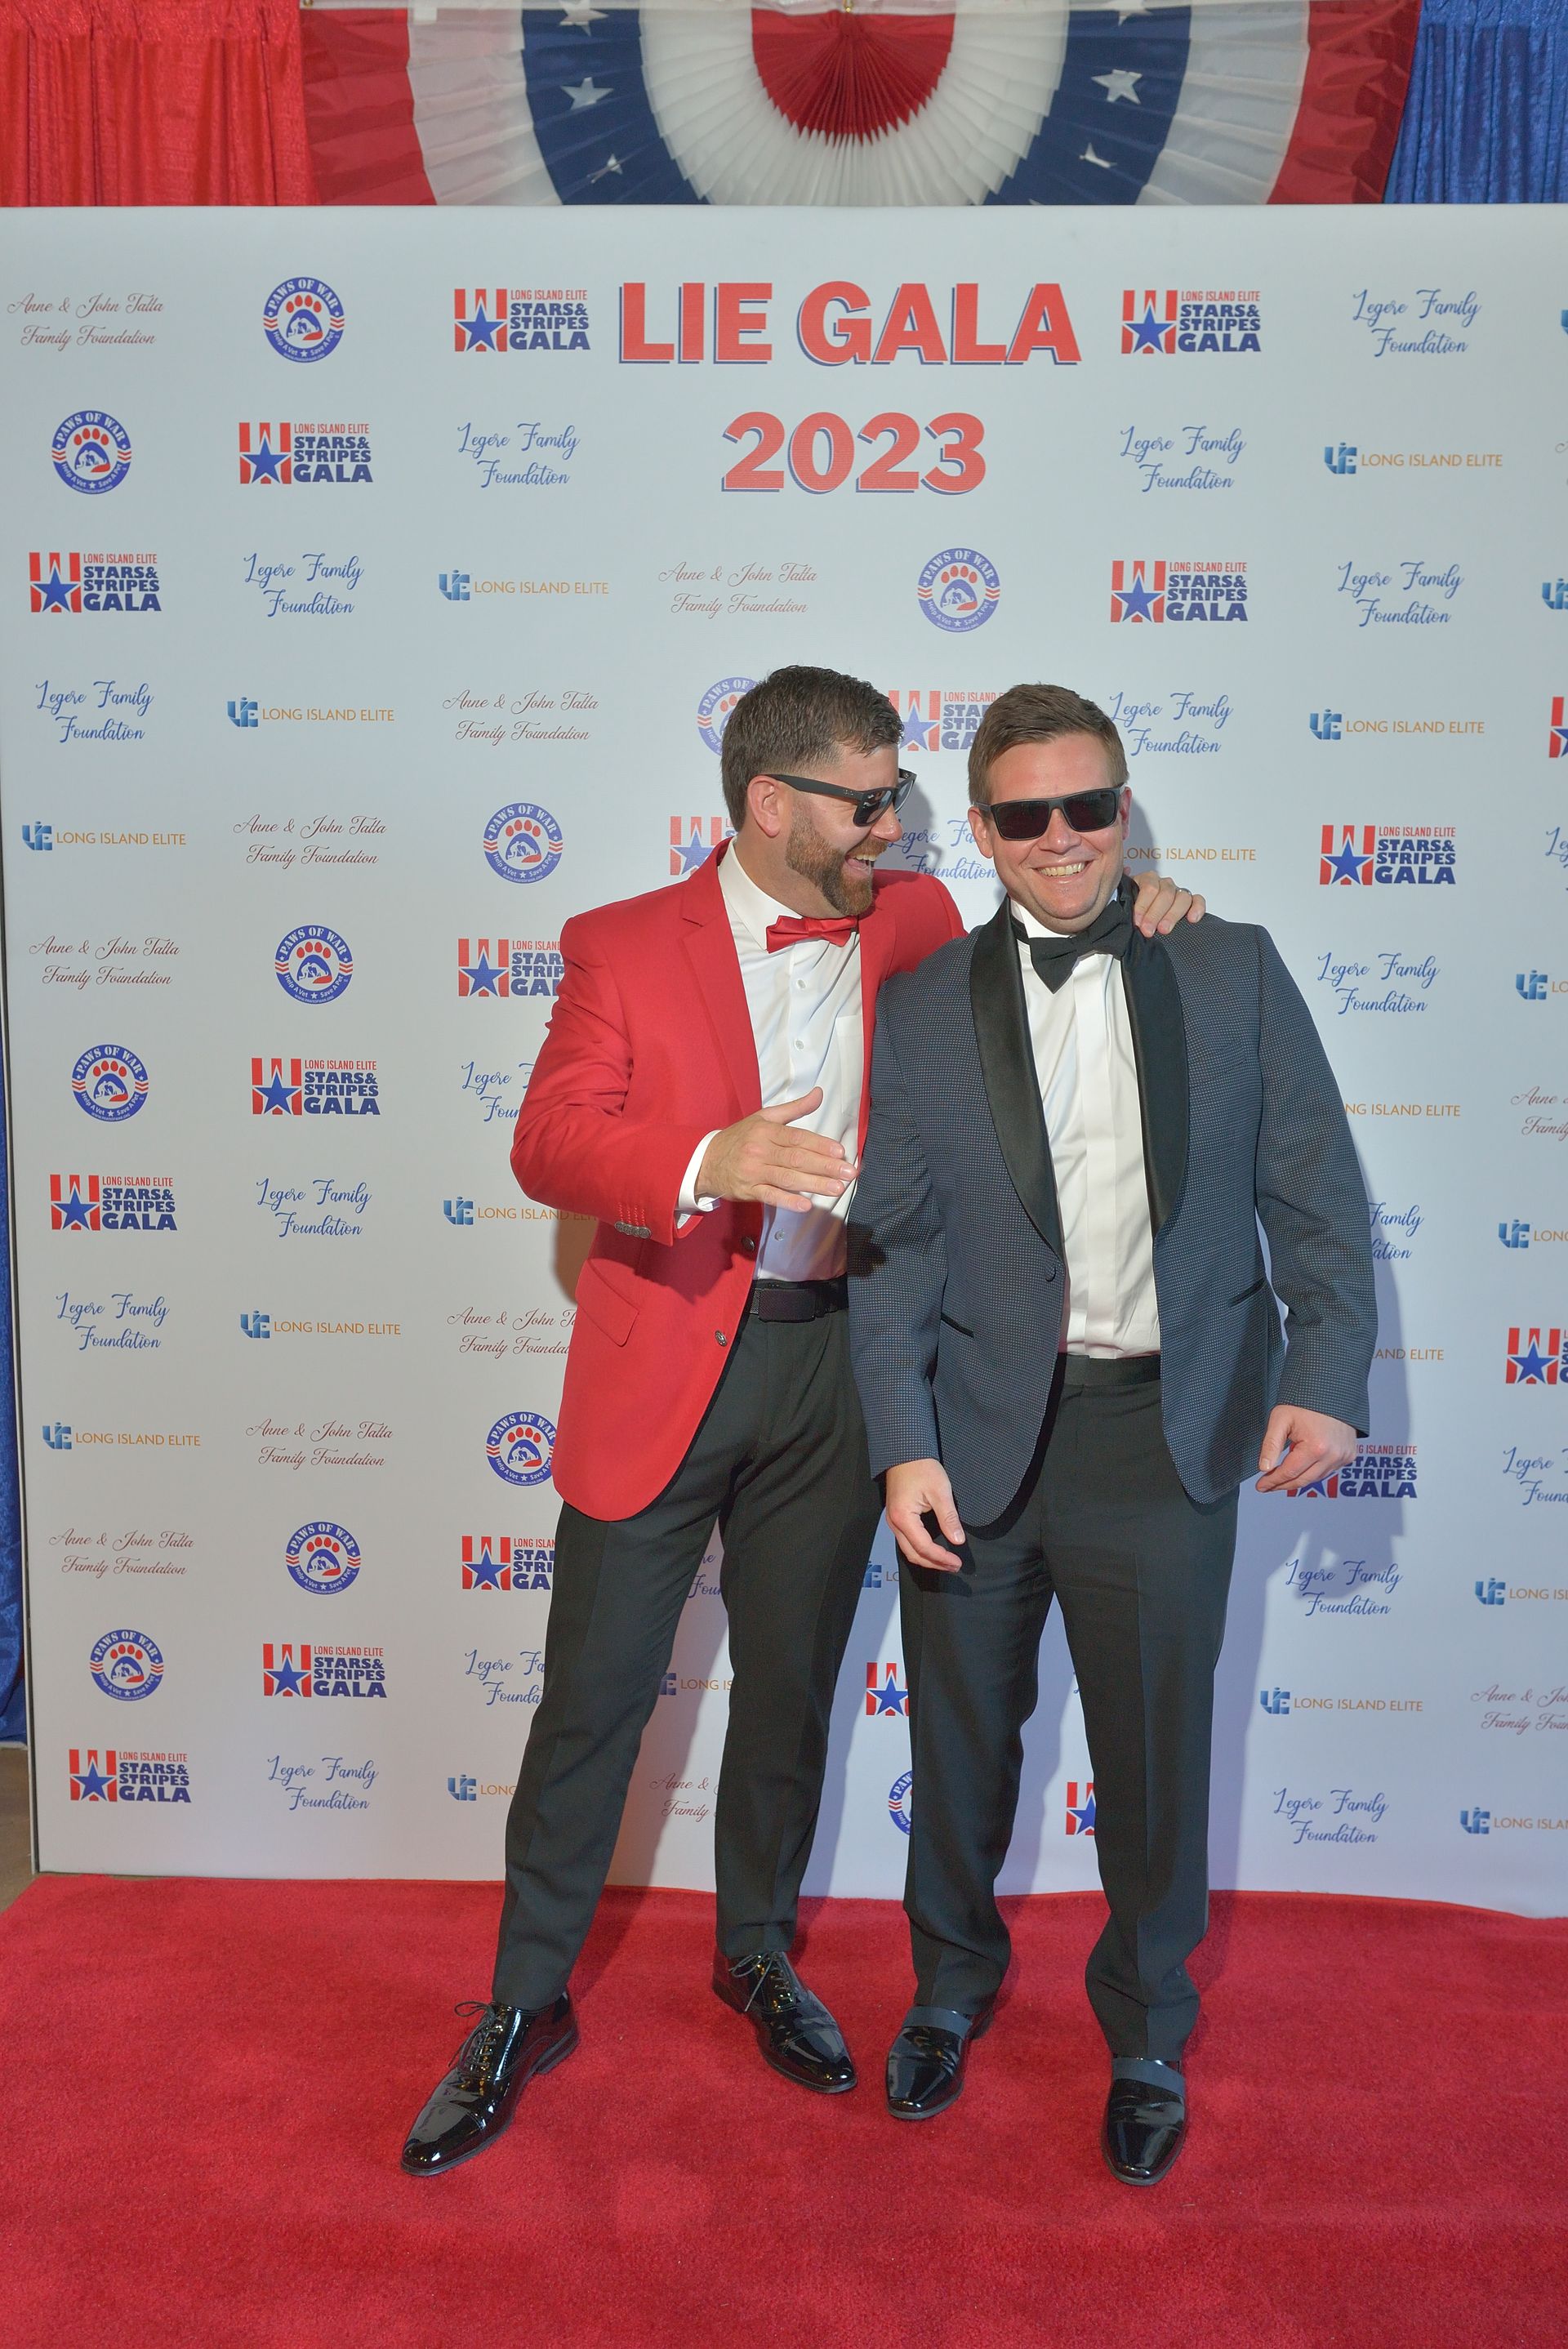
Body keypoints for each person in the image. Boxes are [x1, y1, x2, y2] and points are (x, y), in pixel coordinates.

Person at [401, 666, 1203, 2177]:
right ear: (772, 803)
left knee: (790, 1687)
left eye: (898, 799)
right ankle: (521, 2004)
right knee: (593, 1701)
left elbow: (1051, 950)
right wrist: (706, 1157)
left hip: (841, 1367)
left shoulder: (913, 918)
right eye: (868, 801)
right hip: (668, 1362)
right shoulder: (619, 942)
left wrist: (1150, 907)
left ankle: (755, 1953)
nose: (893, 826)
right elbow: (549, 1139)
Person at [848, 682, 1375, 2183]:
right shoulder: (925, 1004)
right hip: (982, 1436)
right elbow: (899, 1246)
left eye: (1089, 807)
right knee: (958, 1745)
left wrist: (1328, 1375)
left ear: (1124, 808)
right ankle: (948, 1989)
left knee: (1153, 1760)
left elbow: (1315, 1193)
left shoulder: (1226, 965)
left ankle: (1146, 2029)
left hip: (1168, 1429)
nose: (1062, 838)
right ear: (986, 830)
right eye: (1027, 815)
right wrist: (902, 1437)